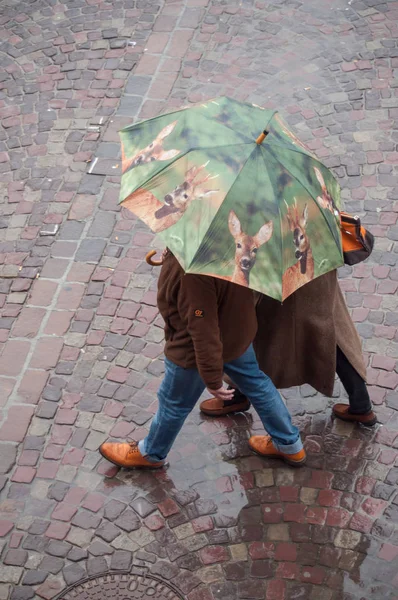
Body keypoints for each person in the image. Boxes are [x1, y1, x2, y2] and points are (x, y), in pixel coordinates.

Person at [99, 248, 306, 470]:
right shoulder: (233, 241)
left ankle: (150, 453)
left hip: (195, 350)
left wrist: (212, 378)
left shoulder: (195, 271)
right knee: (256, 383)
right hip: (236, 334)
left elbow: (202, 325)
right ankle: (289, 445)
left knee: (173, 403)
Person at [200, 270, 377, 426]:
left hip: (288, 269)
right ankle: (361, 403)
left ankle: (236, 397)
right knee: (331, 330)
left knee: (245, 327)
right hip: (313, 266)